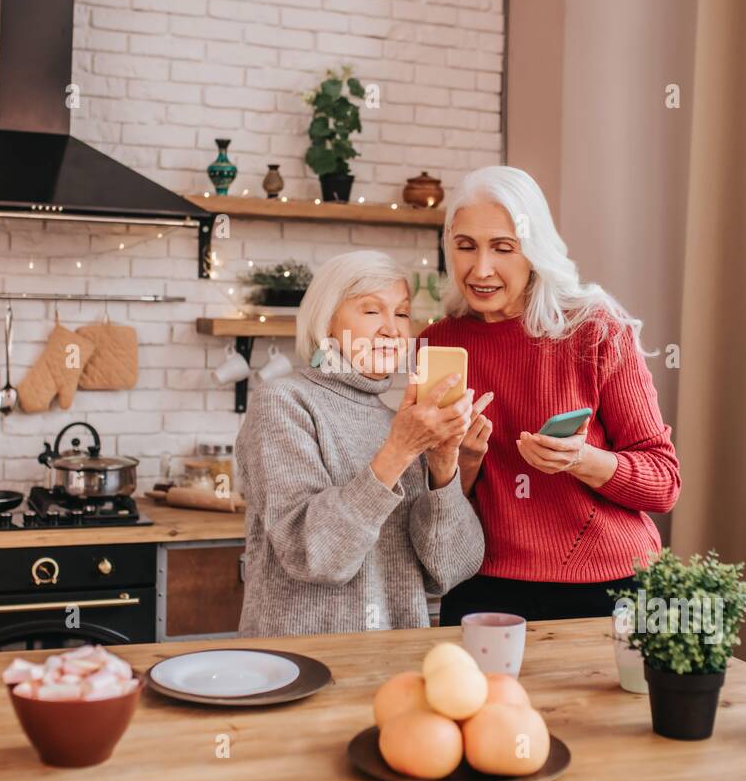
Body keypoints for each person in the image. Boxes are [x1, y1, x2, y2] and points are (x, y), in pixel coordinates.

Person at [420, 165, 681, 624]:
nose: (481, 269)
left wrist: (580, 459)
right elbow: (427, 503)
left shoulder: (595, 330)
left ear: (534, 251)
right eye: (466, 247)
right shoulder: (436, 343)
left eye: (504, 248)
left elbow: (663, 483)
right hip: (482, 584)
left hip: (608, 585)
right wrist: (461, 463)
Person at [236, 250, 485, 637]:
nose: (392, 329)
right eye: (371, 311)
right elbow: (313, 556)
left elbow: (449, 571)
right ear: (328, 322)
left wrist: (443, 464)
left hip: (395, 665)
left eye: (401, 313)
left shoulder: (399, 420)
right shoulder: (283, 403)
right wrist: (398, 451)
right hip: (303, 665)